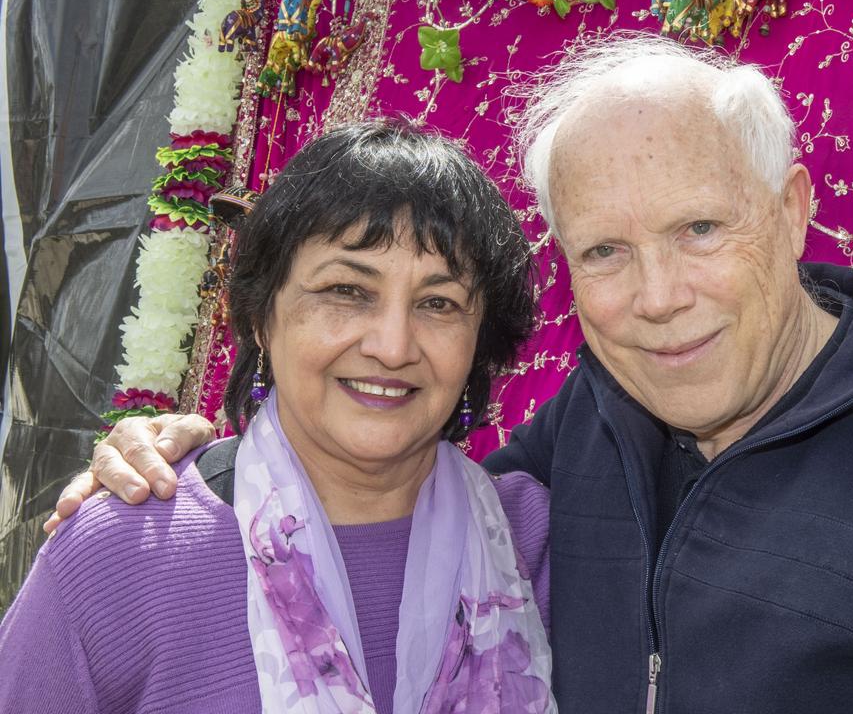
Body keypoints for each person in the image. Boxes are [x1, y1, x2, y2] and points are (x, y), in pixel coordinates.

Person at [50, 34, 853, 713]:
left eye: (699, 229)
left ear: (788, 214)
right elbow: (393, 472)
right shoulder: (591, 424)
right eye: (604, 251)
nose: (655, 296)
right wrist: (181, 459)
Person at [3, 120, 556, 713]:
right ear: (261, 319)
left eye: (438, 303)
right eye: (347, 290)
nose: (394, 347)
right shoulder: (122, 554)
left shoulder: (542, 543)